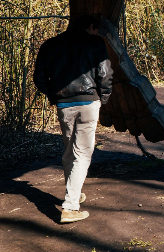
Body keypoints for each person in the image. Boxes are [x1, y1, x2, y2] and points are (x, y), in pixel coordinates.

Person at [33, 15, 113, 224]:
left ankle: (74, 192)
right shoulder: (95, 43)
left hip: (64, 105)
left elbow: (39, 78)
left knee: (70, 152)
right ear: (91, 26)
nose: (96, 33)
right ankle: (70, 207)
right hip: (88, 103)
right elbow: (104, 73)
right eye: (96, 29)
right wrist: (103, 98)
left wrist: (54, 95)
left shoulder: (50, 45)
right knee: (82, 155)